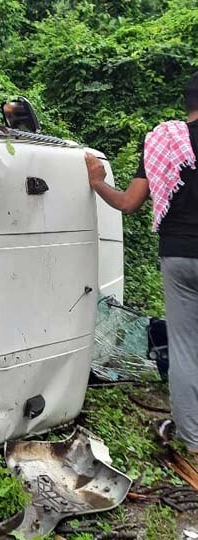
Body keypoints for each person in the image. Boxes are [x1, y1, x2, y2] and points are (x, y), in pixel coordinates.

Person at [86, 72, 198, 462]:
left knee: (186, 349)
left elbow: (129, 203)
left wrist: (98, 181)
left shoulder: (163, 142)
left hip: (179, 256)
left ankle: (191, 439)